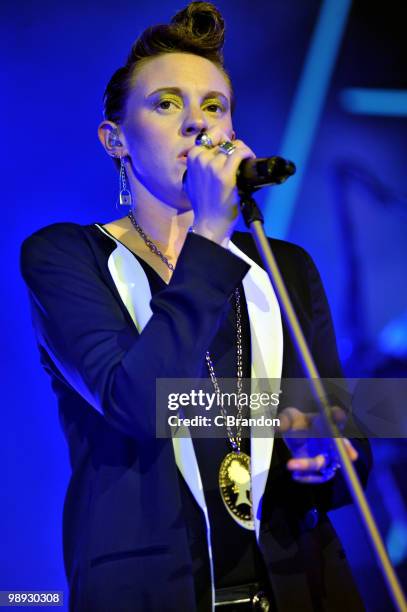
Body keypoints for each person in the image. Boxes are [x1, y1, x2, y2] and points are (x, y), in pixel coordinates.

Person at [20, 3, 372, 610]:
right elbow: (137, 402)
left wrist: (328, 452)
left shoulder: (282, 266)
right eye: (166, 103)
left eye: (214, 106)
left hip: (294, 582)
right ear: (115, 139)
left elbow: (339, 421)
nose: (196, 124)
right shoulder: (64, 256)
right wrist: (208, 235)